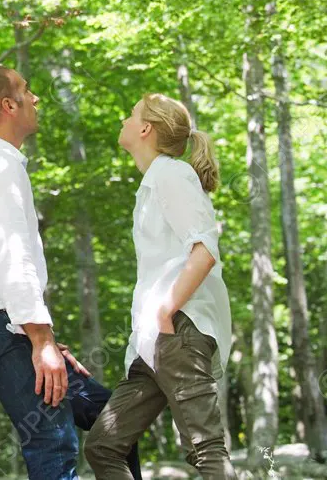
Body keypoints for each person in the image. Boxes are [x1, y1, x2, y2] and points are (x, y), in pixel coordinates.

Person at [0, 65, 140, 480]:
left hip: (6, 326)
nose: (37, 98)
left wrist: (39, 336)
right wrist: (40, 339)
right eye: (28, 91)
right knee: (52, 438)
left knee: (114, 418)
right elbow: (9, 254)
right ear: (8, 105)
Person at [85, 93, 235, 479]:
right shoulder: (155, 182)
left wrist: (166, 310)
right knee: (103, 446)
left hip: (178, 331)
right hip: (152, 343)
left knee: (206, 450)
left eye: (130, 114)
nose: (124, 120)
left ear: (146, 128)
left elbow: (205, 250)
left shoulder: (172, 175)